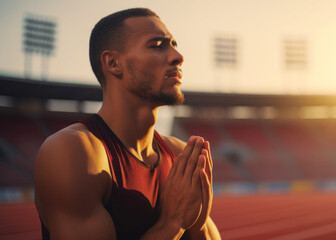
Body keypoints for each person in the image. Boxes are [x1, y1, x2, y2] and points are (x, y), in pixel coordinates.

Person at [34, 8, 221, 240]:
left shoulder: (181, 156)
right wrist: (172, 224)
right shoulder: (73, 152)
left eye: (173, 44)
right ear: (113, 63)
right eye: (157, 45)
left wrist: (197, 224)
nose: (177, 56)